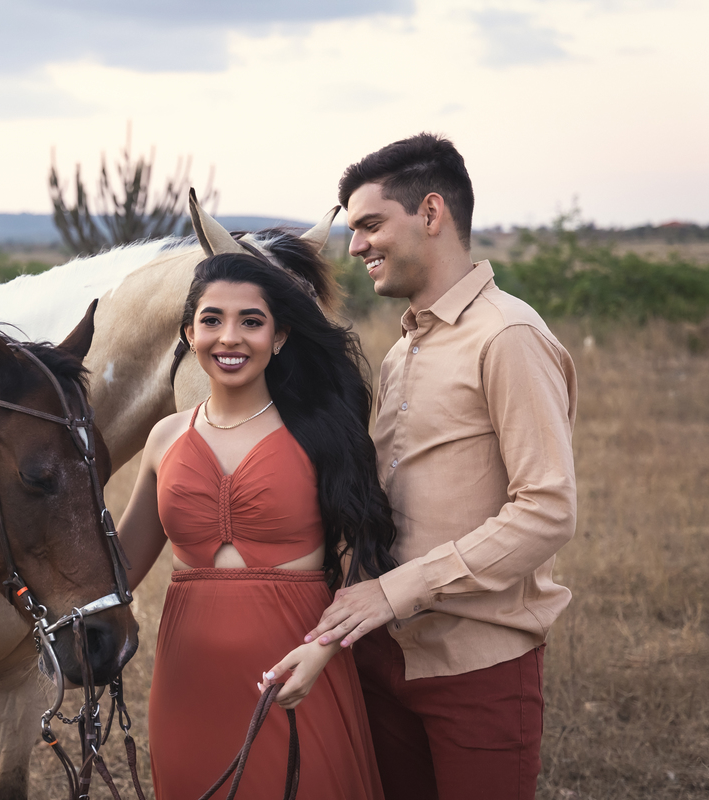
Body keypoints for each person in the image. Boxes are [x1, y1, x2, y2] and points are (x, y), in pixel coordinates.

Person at [307, 133, 578, 800]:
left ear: (431, 213)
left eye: (371, 224)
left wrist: (395, 592)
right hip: (380, 656)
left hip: (477, 667)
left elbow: (547, 511)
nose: (355, 246)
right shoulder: (403, 350)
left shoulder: (508, 336)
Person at [116, 250, 397, 799]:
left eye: (251, 321)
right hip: (187, 682)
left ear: (281, 336)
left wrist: (322, 651)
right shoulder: (165, 439)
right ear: (188, 334)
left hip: (300, 667)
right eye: (212, 320)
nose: (230, 338)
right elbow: (117, 572)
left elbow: (368, 556)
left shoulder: (322, 432)